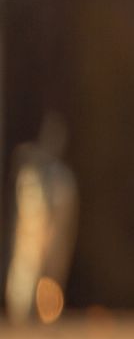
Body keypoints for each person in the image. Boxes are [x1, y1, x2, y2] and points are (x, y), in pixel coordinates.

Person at [7, 115, 78, 326]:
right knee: (26, 269)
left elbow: (65, 210)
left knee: (50, 272)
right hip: (31, 233)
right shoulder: (32, 176)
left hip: (51, 232)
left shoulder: (60, 176)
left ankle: (46, 313)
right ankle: (21, 312)